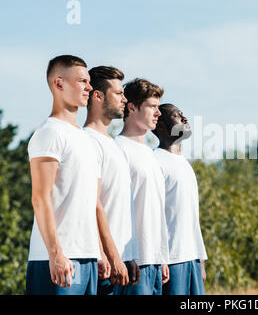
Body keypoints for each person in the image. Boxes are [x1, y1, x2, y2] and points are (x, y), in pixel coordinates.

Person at [26, 55, 101, 295]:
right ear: (59, 84)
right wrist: (56, 253)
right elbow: (40, 198)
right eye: (82, 81)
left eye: (89, 81)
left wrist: (98, 253)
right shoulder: (49, 134)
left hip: (88, 258)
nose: (89, 87)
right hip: (57, 259)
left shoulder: (87, 140)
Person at [83, 66, 140, 295]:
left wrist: (130, 256)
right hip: (105, 267)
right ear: (97, 96)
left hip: (122, 263)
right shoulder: (88, 141)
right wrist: (107, 255)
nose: (125, 100)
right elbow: (92, 203)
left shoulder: (113, 145)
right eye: (118, 94)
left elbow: (120, 206)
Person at [115, 78, 170, 295]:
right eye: (152, 107)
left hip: (154, 262)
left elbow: (157, 210)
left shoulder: (151, 154)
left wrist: (162, 258)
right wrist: (125, 258)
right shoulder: (118, 149)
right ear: (132, 107)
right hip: (133, 264)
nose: (158, 113)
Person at [152, 103, 208, 295]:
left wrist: (200, 259)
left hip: (191, 258)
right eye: (177, 116)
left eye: (183, 114)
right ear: (160, 126)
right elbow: (153, 215)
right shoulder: (155, 161)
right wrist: (159, 258)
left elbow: (192, 218)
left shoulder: (184, 163)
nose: (184, 119)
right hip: (171, 261)